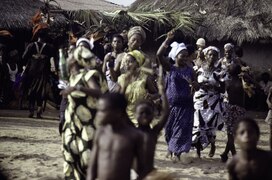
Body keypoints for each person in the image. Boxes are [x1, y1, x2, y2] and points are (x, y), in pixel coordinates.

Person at [61, 46, 108, 180]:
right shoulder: (72, 77)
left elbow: (98, 92)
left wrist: (77, 88)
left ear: (75, 60)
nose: (67, 58)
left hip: (87, 128)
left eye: (70, 56)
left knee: (86, 161)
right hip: (73, 125)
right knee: (71, 158)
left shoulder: (86, 75)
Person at [157, 30, 196, 162]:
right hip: (171, 105)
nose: (185, 58)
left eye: (186, 56)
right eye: (182, 56)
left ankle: (178, 152)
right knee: (169, 130)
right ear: (175, 56)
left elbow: (196, 85)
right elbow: (158, 55)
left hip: (186, 105)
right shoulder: (170, 68)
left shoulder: (190, 70)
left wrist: (195, 86)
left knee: (182, 129)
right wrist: (167, 40)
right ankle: (172, 149)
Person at [86, 93, 145, 180]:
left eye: (102, 111)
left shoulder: (133, 136)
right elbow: (93, 165)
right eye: (98, 110)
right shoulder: (100, 133)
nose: (98, 115)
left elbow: (141, 168)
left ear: (118, 112)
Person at [135, 65, 169, 175]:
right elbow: (120, 110)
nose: (144, 115)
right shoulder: (131, 130)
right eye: (141, 113)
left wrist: (162, 92)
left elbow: (166, 112)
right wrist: (124, 86)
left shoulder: (154, 132)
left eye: (148, 113)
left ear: (153, 115)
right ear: (135, 115)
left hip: (150, 174)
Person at [192, 46, 225, 158]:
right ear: (205, 56)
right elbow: (194, 84)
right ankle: (198, 151)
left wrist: (213, 86)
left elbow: (223, 89)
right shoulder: (198, 69)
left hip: (213, 101)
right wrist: (198, 86)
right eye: (210, 54)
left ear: (217, 57)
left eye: (214, 55)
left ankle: (212, 145)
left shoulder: (219, 72)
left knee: (210, 125)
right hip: (199, 100)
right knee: (198, 125)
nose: (212, 57)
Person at [22, 23, 56, 118]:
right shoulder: (50, 47)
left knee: (31, 90)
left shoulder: (31, 46)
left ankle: (31, 110)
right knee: (41, 91)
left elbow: (24, 57)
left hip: (32, 72)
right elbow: (53, 60)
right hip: (43, 72)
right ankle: (39, 111)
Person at [117, 50, 157, 125]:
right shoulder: (121, 79)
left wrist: (151, 97)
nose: (127, 64)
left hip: (142, 115)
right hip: (126, 116)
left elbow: (157, 94)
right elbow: (118, 99)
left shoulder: (145, 79)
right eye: (125, 62)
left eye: (130, 62)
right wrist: (124, 86)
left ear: (137, 63)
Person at [221, 64, 246, 162]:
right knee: (233, 134)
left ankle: (227, 154)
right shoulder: (242, 82)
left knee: (230, 134)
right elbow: (257, 87)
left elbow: (221, 91)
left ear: (229, 72)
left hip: (230, 109)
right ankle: (229, 155)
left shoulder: (227, 82)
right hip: (240, 109)